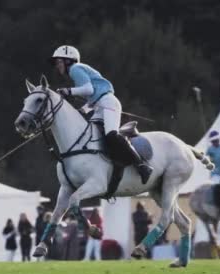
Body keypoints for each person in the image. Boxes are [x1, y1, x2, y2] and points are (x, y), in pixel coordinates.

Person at [51, 45, 152, 184]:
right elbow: (92, 97)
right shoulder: (77, 71)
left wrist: (69, 91)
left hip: (108, 103)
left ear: (68, 60)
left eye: (59, 61)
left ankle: (142, 166)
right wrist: (84, 110)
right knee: (91, 134)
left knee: (111, 135)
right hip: (99, 106)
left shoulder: (75, 69)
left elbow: (89, 89)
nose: (57, 65)